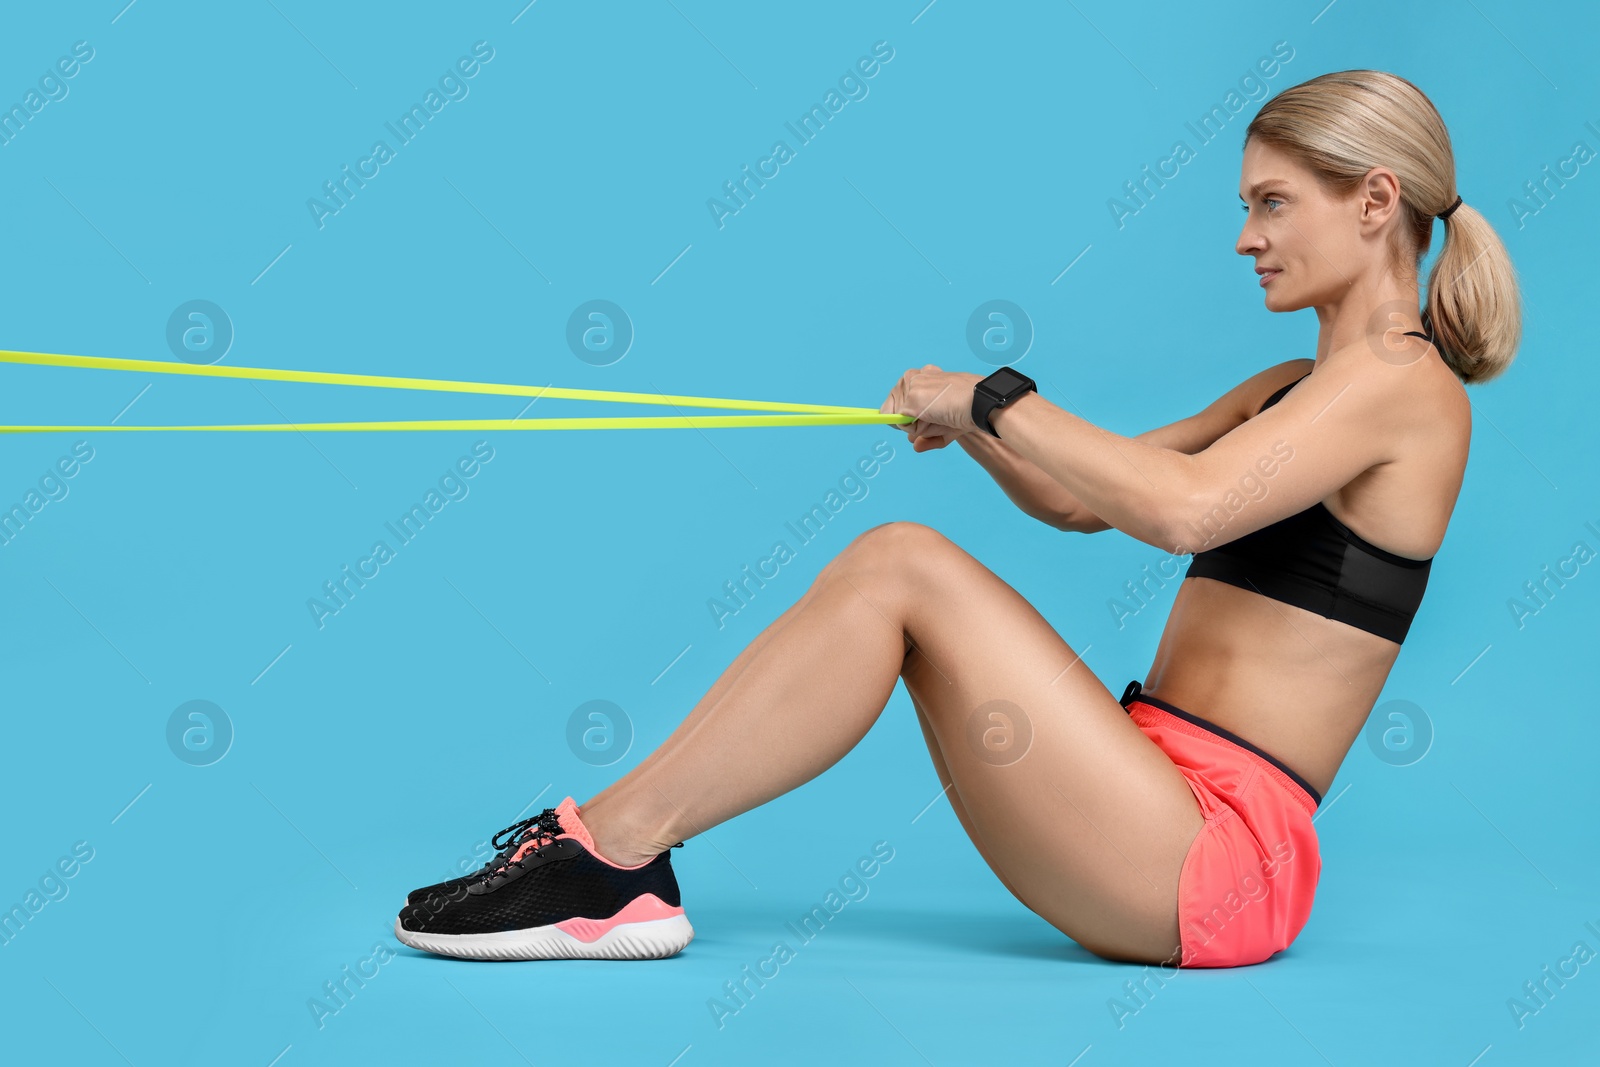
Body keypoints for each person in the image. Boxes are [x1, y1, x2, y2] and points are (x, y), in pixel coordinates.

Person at [394, 69, 1520, 966]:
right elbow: (1087, 501)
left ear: (1375, 200)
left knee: (900, 565)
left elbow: (1184, 511)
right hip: (1147, 795)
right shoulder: (1290, 386)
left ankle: (610, 857)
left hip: (1219, 856)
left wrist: (992, 400)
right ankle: (606, 848)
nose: (1244, 236)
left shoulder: (1402, 383)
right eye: (1245, 206)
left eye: (1271, 202)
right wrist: (987, 435)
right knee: (896, 571)